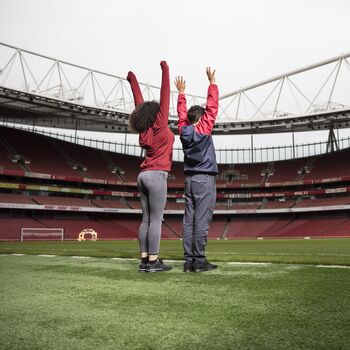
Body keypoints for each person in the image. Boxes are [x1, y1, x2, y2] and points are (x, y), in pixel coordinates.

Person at [127, 61, 174, 273]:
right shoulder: (161, 122)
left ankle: (144, 260)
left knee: (145, 219)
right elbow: (165, 93)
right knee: (156, 220)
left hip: (143, 175)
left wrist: (133, 80)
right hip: (157, 176)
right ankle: (154, 262)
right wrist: (166, 70)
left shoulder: (144, 128)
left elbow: (139, 104)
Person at [174, 67, 219, 272]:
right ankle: (199, 261)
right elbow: (212, 108)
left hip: (190, 181)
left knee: (189, 221)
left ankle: (189, 260)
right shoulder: (203, 129)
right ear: (201, 119)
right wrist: (212, 83)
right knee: (201, 221)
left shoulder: (184, 130)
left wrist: (182, 94)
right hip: (204, 180)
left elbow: (182, 116)